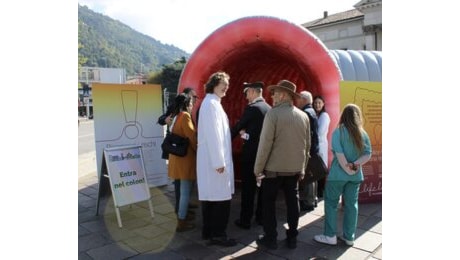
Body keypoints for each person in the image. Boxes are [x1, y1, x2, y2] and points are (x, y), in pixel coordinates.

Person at [254, 80, 311, 250]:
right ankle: (292, 237)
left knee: (268, 203)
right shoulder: (304, 116)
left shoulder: (273, 114)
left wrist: (257, 169)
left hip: (273, 170)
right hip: (294, 169)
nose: (272, 96)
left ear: (284, 95)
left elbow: (265, 145)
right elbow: (307, 146)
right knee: (293, 203)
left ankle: (271, 238)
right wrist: (302, 168)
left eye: (275, 93)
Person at [314, 104, 372, 246]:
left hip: (338, 176)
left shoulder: (338, 132)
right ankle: (349, 237)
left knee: (331, 204)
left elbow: (339, 156)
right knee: (352, 206)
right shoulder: (362, 133)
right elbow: (367, 154)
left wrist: (348, 168)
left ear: (343, 116)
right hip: (355, 176)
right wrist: (354, 166)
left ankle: (330, 236)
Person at [197, 71, 236, 247]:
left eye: (227, 84)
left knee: (211, 199)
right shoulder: (211, 104)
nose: (226, 87)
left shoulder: (212, 103)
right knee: (220, 200)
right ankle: (218, 235)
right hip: (215, 163)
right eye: (224, 84)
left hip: (211, 162)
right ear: (214, 84)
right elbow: (214, 136)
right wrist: (219, 162)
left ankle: (208, 232)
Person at [231, 81, 271, 230]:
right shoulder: (269, 108)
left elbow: (238, 126)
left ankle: (245, 219)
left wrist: (227, 138)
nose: (246, 95)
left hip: (251, 155)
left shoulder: (252, 109)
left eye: (247, 92)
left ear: (254, 92)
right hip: (265, 155)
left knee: (248, 188)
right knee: (263, 188)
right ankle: (261, 217)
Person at [157, 87, 199, 217]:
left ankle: (183, 208)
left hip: (179, 155)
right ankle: (181, 215)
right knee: (183, 188)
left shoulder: (180, 115)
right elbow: (191, 137)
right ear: (186, 101)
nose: (194, 102)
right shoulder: (183, 115)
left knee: (184, 187)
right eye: (192, 99)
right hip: (182, 155)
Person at [167, 94, 198, 232]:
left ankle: (181, 215)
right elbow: (192, 136)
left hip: (176, 158)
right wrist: (199, 150)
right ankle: (181, 220)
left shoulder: (176, 116)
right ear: (186, 104)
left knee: (182, 190)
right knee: (185, 191)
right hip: (185, 159)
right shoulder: (185, 116)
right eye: (191, 103)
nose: (192, 106)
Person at [296, 90, 319, 212]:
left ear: (304, 100)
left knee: (309, 177)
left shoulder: (306, 113)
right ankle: (313, 199)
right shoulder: (312, 111)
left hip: (309, 150)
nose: (297, 101)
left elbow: (306, 134)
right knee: (312, 176)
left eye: (299, 99)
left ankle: (309, 202)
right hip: (314, 149)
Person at [313, 95, 331, 197]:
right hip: (318, 145)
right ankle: (317, 191)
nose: (317, 105)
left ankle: (320, 191)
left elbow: (320, 132)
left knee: (320, 168)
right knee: (317, 168)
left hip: (321, 144)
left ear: (323, 104)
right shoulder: (317, 115)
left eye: (319, 103)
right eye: (315, 103)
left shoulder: (324, 116)